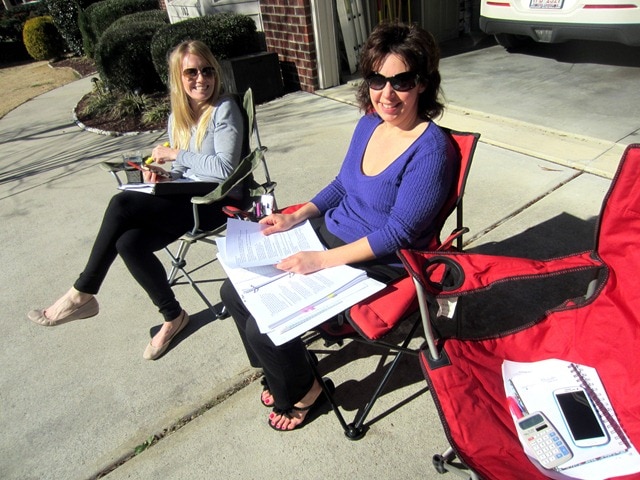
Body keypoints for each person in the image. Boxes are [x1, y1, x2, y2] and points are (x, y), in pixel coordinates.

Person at [220, 21, 458, 431]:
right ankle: (284, 370)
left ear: (422, 83)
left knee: (262, 327)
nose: (386, 94)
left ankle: (305, 391)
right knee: (233, 290)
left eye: (401, 81)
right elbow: (342, 184)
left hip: (377, 262)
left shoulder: (432, 150)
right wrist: (297, 216)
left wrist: (320, 260)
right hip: (326, 238)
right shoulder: (369, 123)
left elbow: (398, 234)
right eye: (377, 80)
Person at [28, 40, 246, 360]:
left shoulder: (224, 108)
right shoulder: (178, 117)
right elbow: (185, 171)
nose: (201, 78)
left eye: (207, 70)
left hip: (216, 203)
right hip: (187, 198)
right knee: (128, 243)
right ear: (178, 78)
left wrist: (175, 154)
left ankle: (82, 292)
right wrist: (165, 175)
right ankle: (173, 316)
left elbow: (225, 170)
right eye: (191, 72)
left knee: (122, 204)